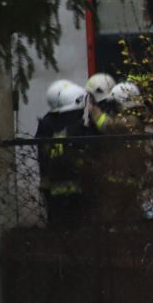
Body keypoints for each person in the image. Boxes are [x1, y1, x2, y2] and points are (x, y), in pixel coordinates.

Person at [35, 80, 88, 227]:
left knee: (57, 229)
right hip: (74, 191)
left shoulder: (46, 124)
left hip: (50, 190)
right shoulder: (73, 127)